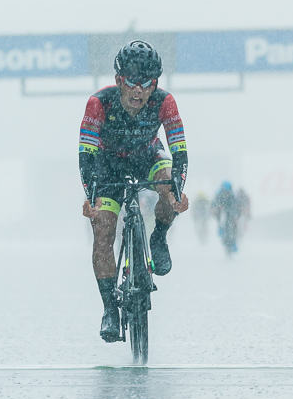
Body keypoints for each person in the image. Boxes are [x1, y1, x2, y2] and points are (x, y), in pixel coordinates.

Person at [79, 40, 189, 342]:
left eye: (147, 83)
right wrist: (91, 196)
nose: (138, 90)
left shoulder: (165, 102)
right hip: (107, 164)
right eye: (131, 82)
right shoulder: (98, 103)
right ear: (118, 81)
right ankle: (110, 310)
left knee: (170, 185)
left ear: (154, 84)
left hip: (147, 156)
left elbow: (179, 152)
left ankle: (158, 237)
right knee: (103, 231)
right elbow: (86, 157)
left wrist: (176, 192)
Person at [212, 181, 241, 254]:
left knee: (231, 228)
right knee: (231, 228)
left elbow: (236, 205)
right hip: (225, 214)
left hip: (228, 214)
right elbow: (236, 205)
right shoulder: (225, 195)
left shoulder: (225, 195)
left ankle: (232, 242)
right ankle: (232, 242)